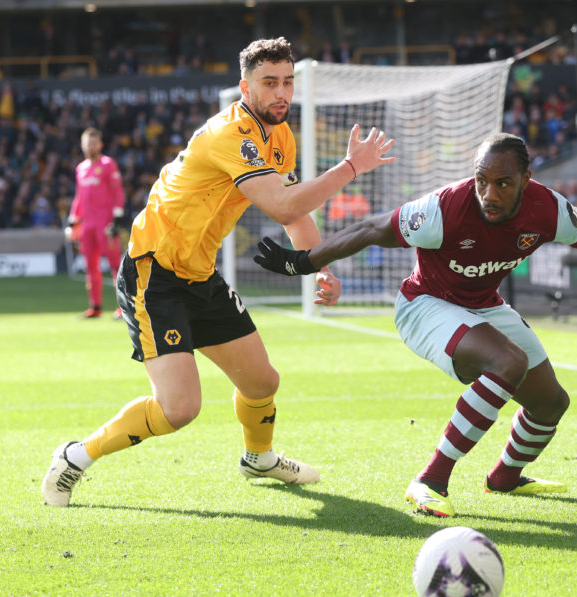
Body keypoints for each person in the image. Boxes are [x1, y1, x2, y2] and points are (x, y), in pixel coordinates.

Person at [252, 133, 577, 517]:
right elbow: (371, 229)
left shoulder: (549, 210)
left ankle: (505, 477)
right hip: (425, 305)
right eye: (483, 180)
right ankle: (430, 480)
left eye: (503, 183)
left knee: (551, 403)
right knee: (508, 362)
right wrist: (303, 262)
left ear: (527, 180)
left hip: (485, 305)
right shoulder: (444, 208)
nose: (489, 193)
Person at [41, 37, 396, 507]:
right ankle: (74, 456)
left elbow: (292, 215)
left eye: (287, 82)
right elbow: (282, 203)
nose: (281, 93)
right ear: (245, 87)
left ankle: (259, 457)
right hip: (154, 270)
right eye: (269, 83)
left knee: (262, 382)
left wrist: (317, 264)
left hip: (199, 273)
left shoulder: (280, 136)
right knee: (180, 409)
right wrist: (351, 167)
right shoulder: (230, 133)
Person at [67, 128, 126, 319]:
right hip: (87, 225)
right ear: (82, 145)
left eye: (93, 143)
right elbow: (79, 197)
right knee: (90, 266)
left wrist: (116, 219)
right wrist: (72, 220)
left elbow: (117, 192)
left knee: (115, 265)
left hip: (105, 223)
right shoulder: (81, 168)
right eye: (87, 143)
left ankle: (123, 307)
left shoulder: (108, 164)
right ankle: (95, 306)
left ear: (100, 145)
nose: (90, 146)